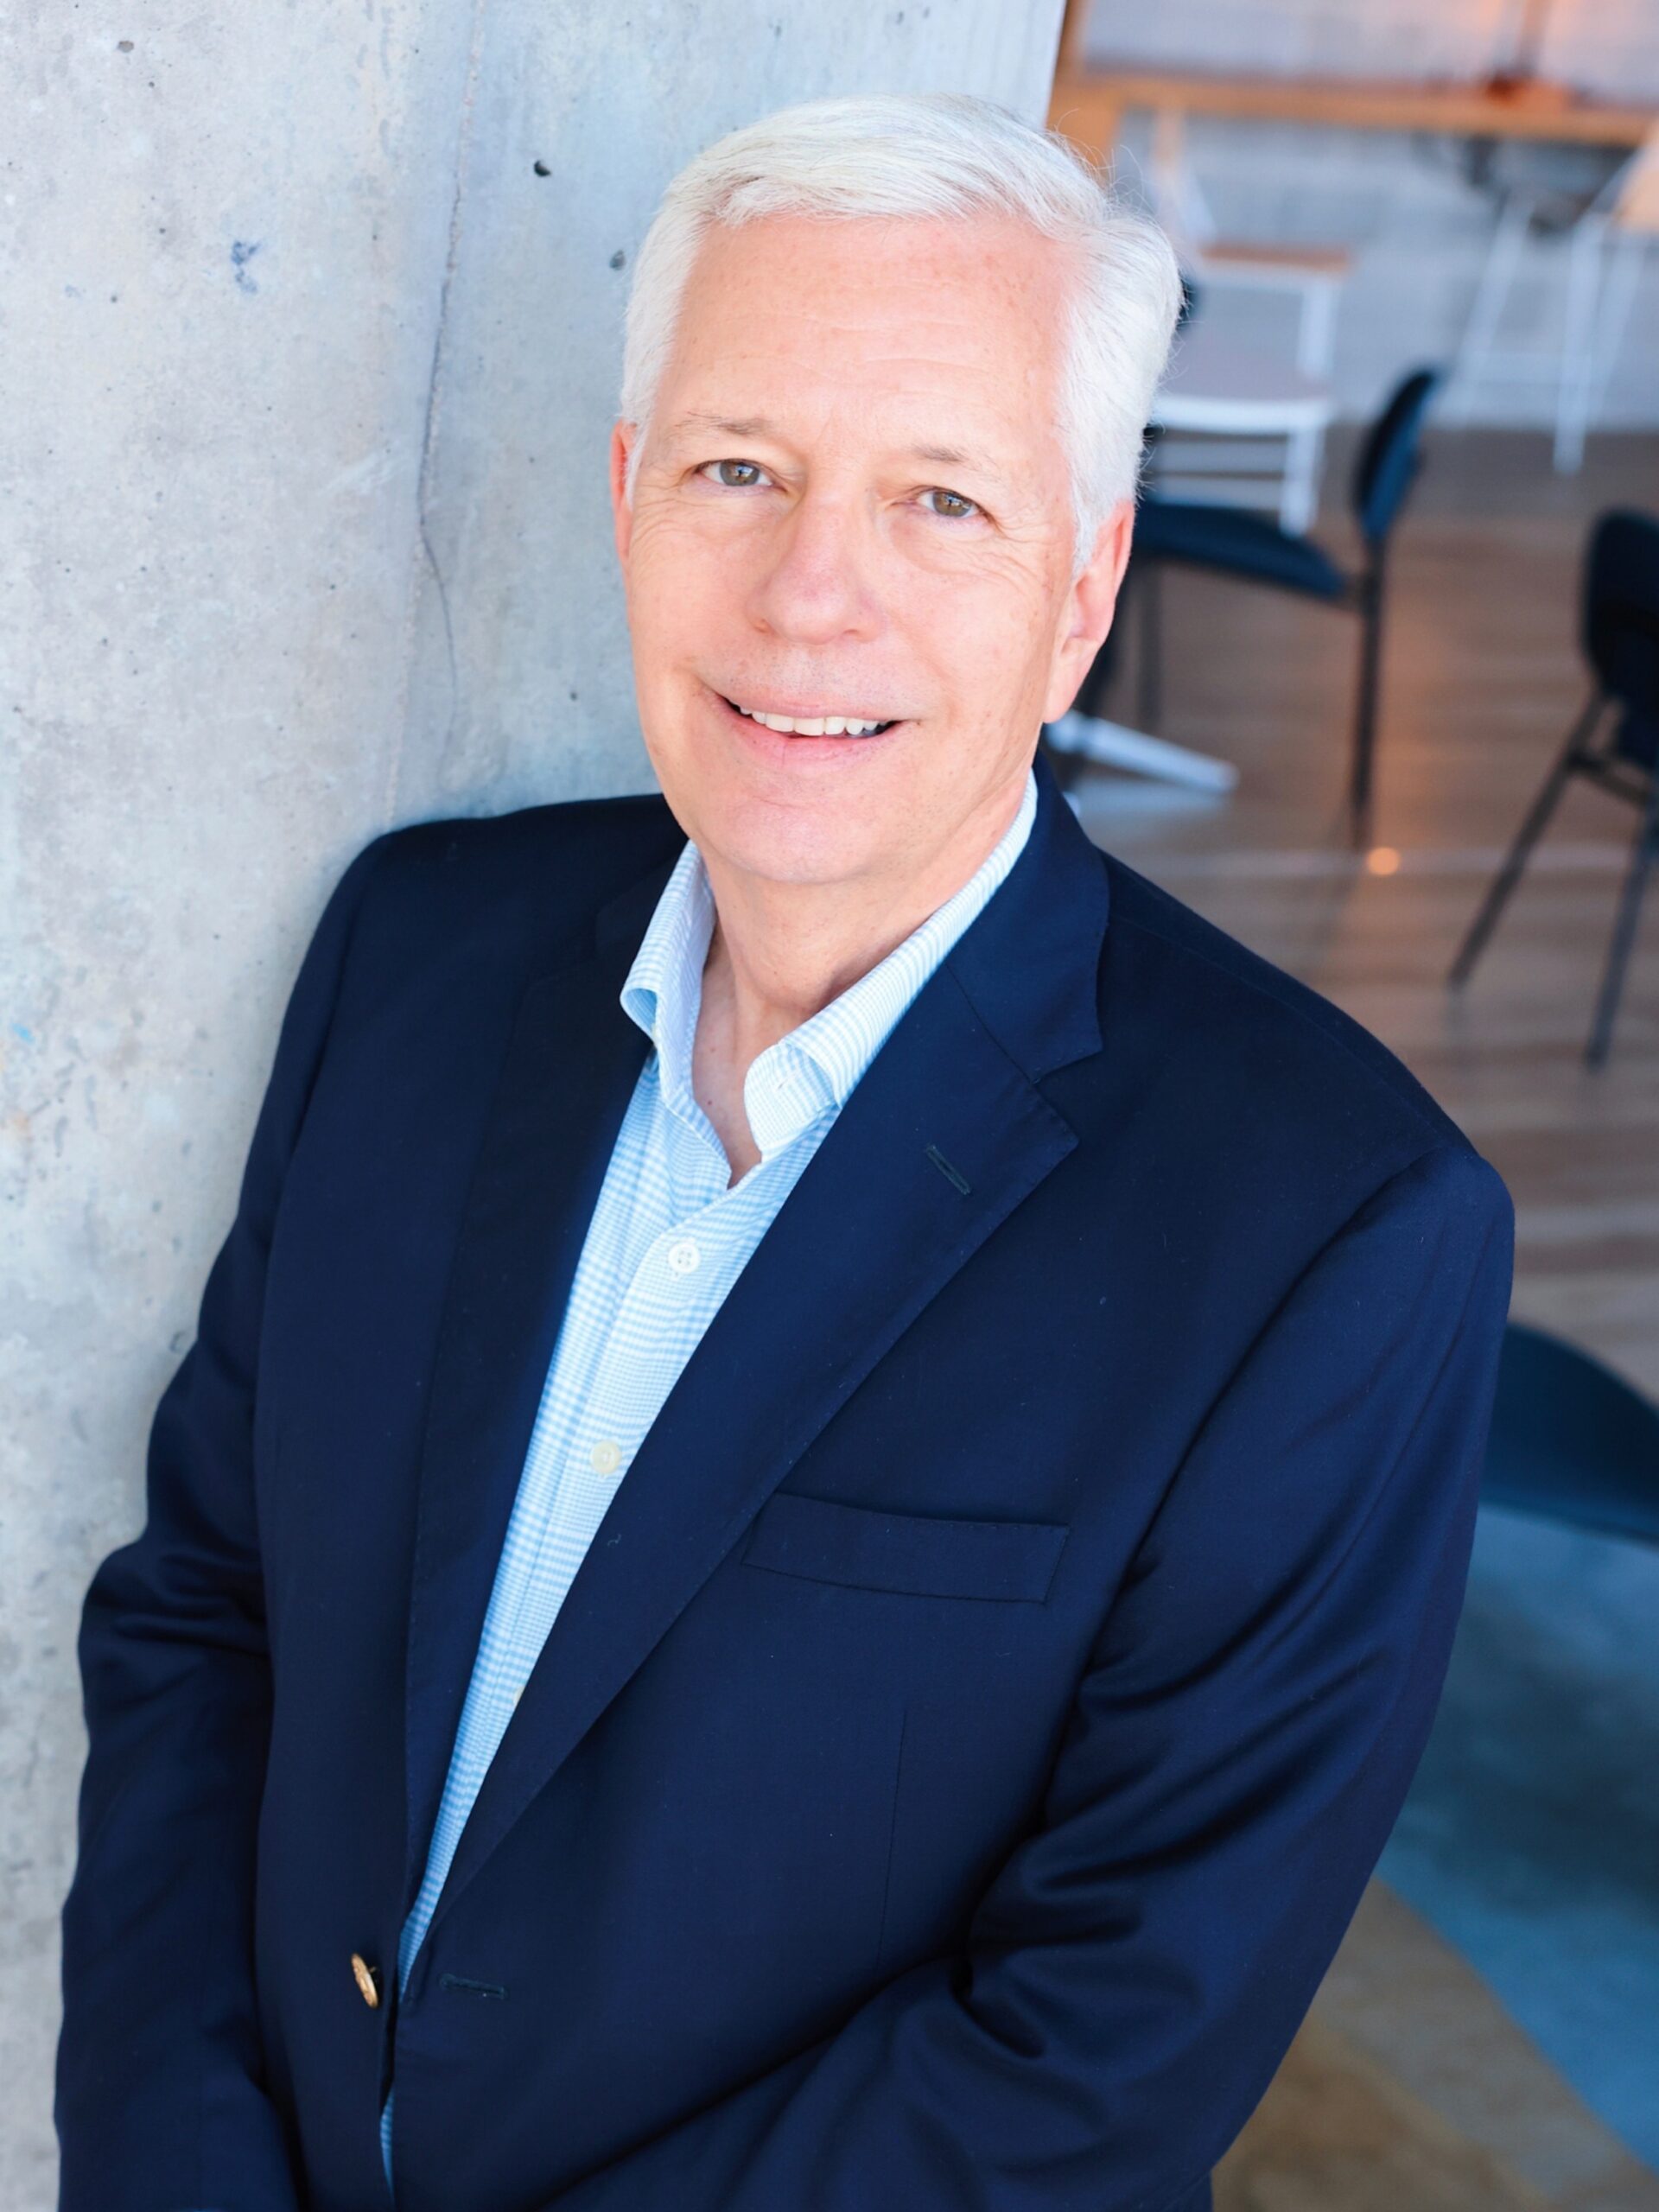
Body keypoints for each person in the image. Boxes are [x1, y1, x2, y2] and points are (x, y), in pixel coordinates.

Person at [56, 92, 1514, 2212]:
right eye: (739, 468)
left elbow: (1096, 2051)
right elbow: (207, 1611)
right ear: (629, 497)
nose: (812, 594)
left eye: (944, 500)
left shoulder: (1336, 1234)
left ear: (1084, 586)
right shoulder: (413, 952)